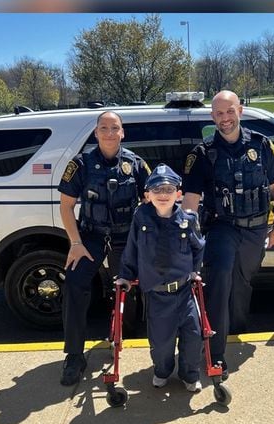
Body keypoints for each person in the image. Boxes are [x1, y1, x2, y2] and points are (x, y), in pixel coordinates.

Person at [182, 90, 274, 381]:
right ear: (211, 116)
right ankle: (215, 354)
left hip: (255, 229)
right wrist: (187, 236)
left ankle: (236, 328)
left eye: (229, 111)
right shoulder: (202, 154)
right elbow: (190, 200)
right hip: (222, 227)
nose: (224, 118)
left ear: (240, 109)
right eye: (218, 113)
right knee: (221, 280)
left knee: (242, 279)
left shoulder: (261, 145)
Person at [57, 111, 151, 386]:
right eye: (104, 128)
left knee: (127, 289)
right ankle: (74, 355)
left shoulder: (136, 164)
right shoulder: (81, 164)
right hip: (90, 237)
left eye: (115, 128)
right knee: (74, 283)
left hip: (125, 237)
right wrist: (75, 243)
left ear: (123, 132)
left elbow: (151, 200)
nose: (110, 133)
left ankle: (123, 340)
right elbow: (66, 205)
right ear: (96, 133)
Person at [116, 164, 205, 392]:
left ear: (178, 194)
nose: (163, 195)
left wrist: (195, 270)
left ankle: (189, 374)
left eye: (168, 189)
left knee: (194, 336)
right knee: (162, 344)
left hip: (185, 292)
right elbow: (132, 248)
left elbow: (199, 247)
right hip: (158, 294)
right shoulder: (141, 217)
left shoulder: (188, 219)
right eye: (157, 190)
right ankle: (162, 370)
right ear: (147, 195)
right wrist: (126, 276)